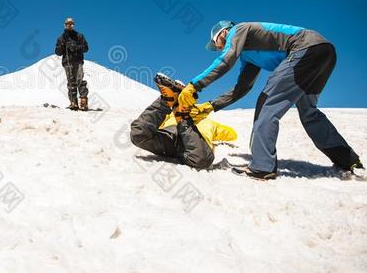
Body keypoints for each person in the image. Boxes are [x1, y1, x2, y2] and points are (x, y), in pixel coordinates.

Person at [177, 21, 363, 179]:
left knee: (267, 103)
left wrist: (195, 85)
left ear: (224, 32)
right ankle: (349, 161)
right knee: (309, 113)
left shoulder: (239, 30)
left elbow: (226, 60)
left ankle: (262, 166)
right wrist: (211, 106)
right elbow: (242, 88)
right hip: (324, 52)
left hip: (303, 49)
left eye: (215, 42)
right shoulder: (249, 57)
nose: (217, 47)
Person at [131, 73, 237, 169]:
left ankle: (174, 108)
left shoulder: (209, 123)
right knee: (138, 135)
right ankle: (167, 101)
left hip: (189, 144)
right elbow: (232, 134)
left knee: (202, 159)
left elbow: (231, 134)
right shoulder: (209, 123)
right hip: (173, 139)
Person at [54, 18, 89, 110]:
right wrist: (62, 45)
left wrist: (76, 47)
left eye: (71, 24)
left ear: (74, 25)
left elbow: (86, 48)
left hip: (78, 61)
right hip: (67, 62)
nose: (70, 25)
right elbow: (58, 52)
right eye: (68, 24)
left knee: (80, 80)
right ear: (65, 25)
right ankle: (73, 102)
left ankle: (83, 100)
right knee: (71, 82)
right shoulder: (61, 38)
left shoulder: (79, 36)